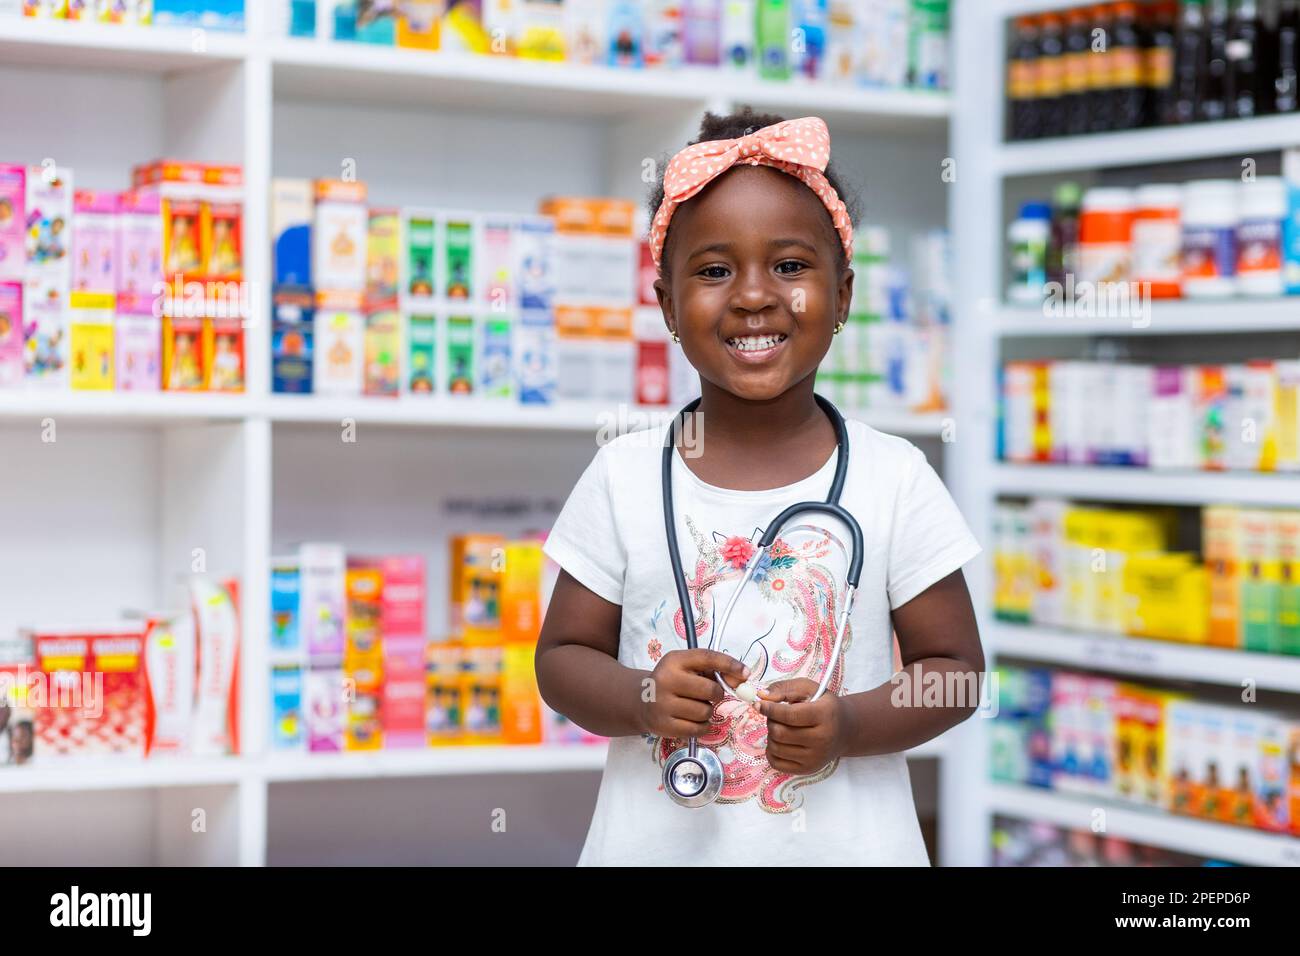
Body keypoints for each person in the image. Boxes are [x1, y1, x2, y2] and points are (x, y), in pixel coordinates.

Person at [536, 109, 985, 866]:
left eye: (789, 266)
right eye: (714, 271)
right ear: (668, 305)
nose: (752, 296)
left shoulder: (895, 478)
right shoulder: (623, 474)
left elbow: (956, 677)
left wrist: (849, 725)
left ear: (843, 296)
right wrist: (643, 696)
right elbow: (561, 660)